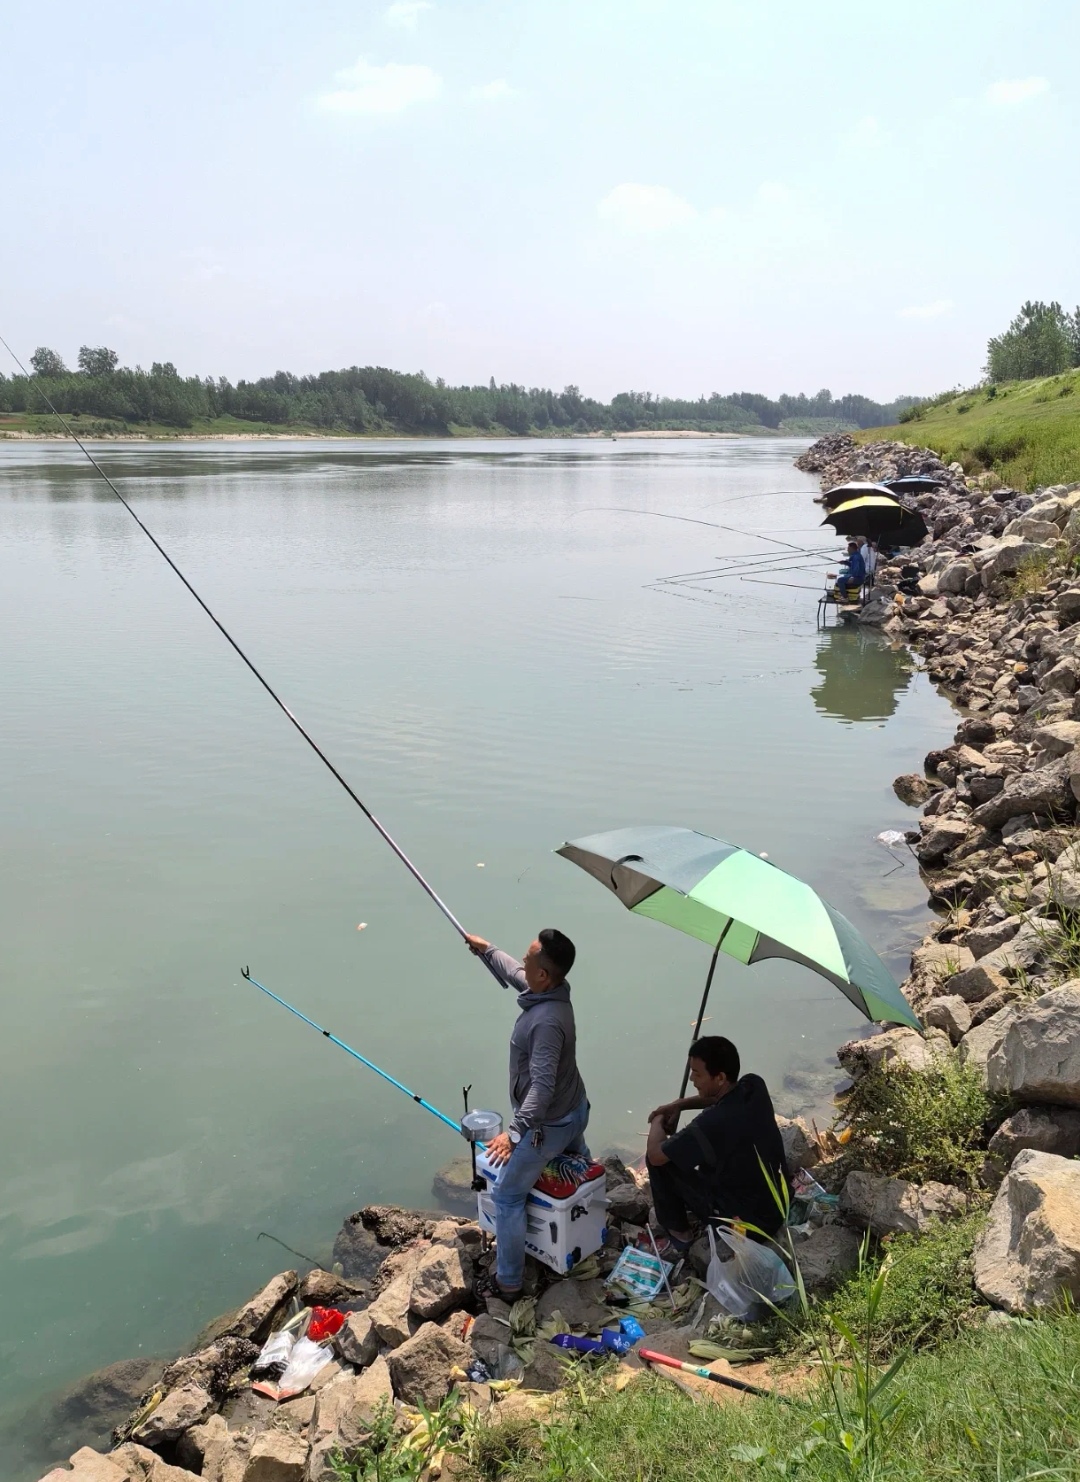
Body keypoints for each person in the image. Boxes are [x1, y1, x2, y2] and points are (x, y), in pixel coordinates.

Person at [464, 927, 590, 1299]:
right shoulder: (549, 991)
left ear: (544, 975)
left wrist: (514, 1132)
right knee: (576, 1164)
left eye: (529, 959)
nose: (522, 962)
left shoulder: (547, 1022)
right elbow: (517, 975)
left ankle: (509, 1282)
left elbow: (542, 1088)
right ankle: (585, 1210)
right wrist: (488, 951)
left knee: (506, 1196)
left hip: (547, 1126)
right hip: (575, 1111)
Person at [645, 1036, 788, 1252]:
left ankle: (680, 1234)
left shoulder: (710, 1123)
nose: (692, 1079)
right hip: (778, 1204)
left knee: (658, 1162)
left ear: (720, 1077)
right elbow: (716, 1098)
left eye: (698, 1074)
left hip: (747, 1224)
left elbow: (656, 1155)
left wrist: (658, 1118)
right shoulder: (753, 1085)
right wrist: (680, 1105)